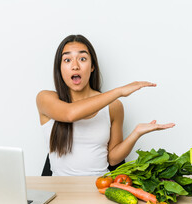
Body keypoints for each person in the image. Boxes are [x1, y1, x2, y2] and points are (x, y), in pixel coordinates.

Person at [36, 34, 175, 176]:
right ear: (59, 68)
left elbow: (113, 159)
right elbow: (70, 114)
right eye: (67, 60)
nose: (75, 66)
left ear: (92, 67)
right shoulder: (46, 98)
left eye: (82, 59)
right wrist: (119, 91)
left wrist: (136, 133)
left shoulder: (114, 106)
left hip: (99, 187)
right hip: (59, 190)